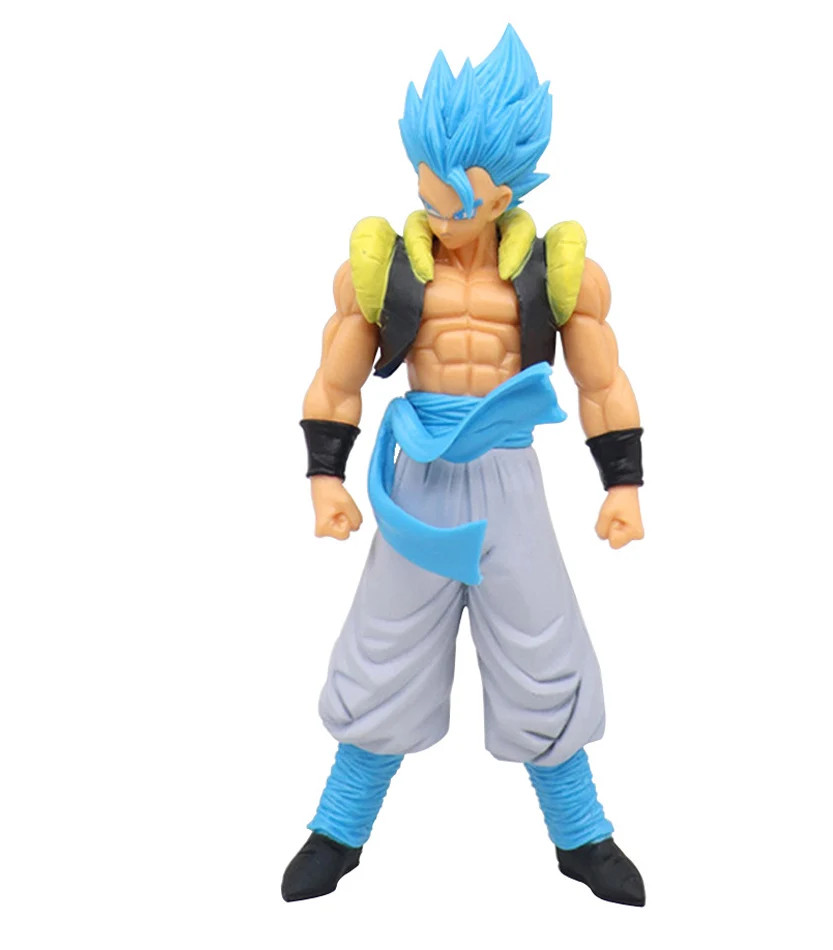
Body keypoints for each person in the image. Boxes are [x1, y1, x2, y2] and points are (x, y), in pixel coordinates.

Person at [282, 25, 646, 906]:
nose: (440, 213)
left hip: (510, 476)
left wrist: (623, 485)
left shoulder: (557, 271)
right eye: (429, 192)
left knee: (542, 646)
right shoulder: (386, 267)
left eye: (459, 200)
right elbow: (337, 373)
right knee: (384, 646)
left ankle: (580, 834)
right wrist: (325, 476)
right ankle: (339, 826)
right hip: (421, 479)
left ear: (502, 194)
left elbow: (601, 380)